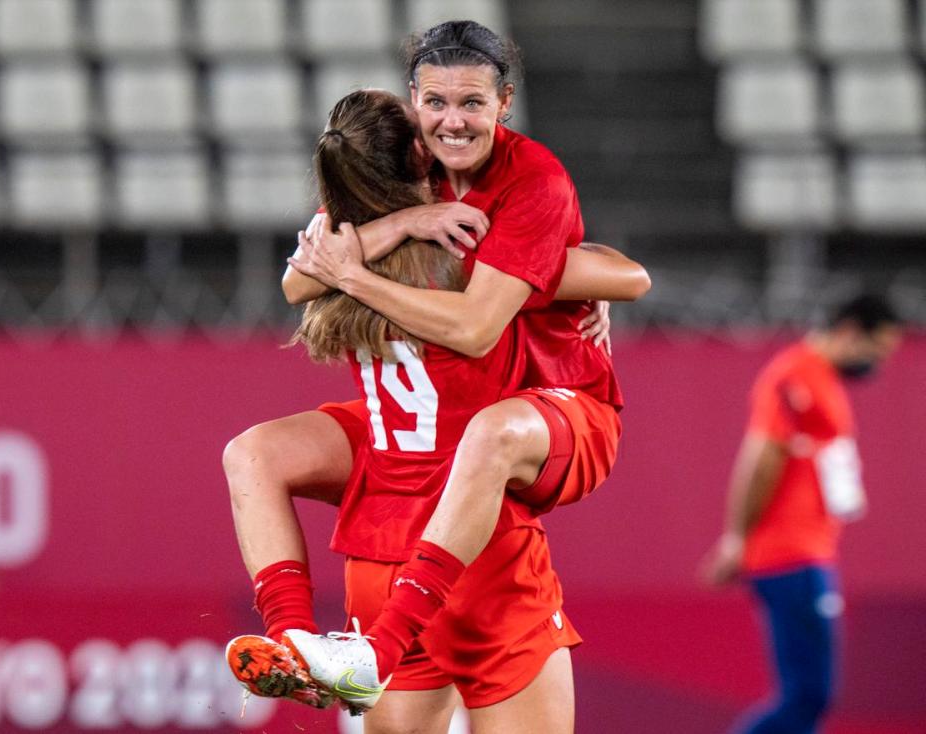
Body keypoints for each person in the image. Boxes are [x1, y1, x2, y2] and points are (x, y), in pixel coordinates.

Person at [225, 20, 647, 730]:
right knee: (475, 439)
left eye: (471, 104)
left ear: (503, 102)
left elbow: (313, 283)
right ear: (413, 104)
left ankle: (343, 648)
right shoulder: (399, 192)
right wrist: (404, 230)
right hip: (472, 516)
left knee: (256, 453)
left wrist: (358, 269)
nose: (453, 122)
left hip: (456, 468)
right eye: (438, 105)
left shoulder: (434, 193)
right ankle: (307, 646)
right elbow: (622, 276)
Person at [700, 294, 902, 734]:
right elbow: (761, 457)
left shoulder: (823, 380)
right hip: (789, 553)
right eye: (876, 349)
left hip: (808, 551)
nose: (877, 363)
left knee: (809, 698)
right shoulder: (795, 375)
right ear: (849, 330)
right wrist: (737, 538)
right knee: (808, 695)